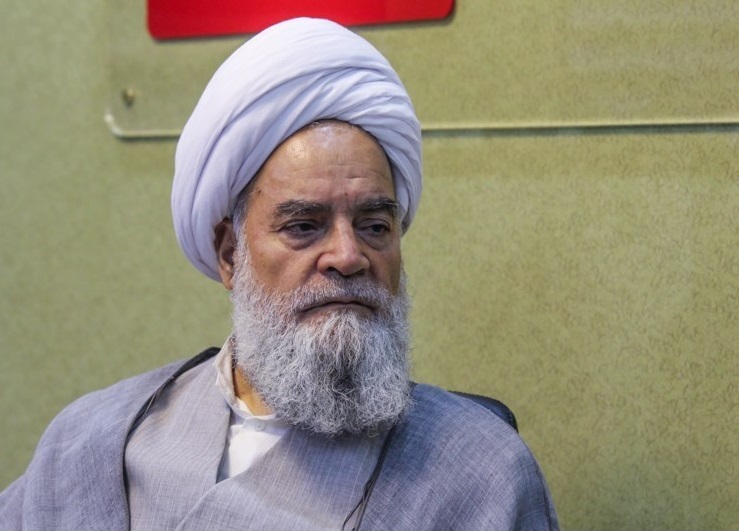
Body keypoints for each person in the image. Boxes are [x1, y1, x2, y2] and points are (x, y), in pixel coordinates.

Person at [0, 17, 558, 531]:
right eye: (304, 226)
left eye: (375, 226)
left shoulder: (479, 477)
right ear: (230, 255)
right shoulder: (90, 444)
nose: (348, 255)